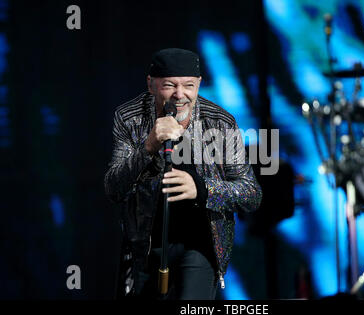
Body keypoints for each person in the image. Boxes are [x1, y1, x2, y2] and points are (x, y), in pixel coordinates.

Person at [104, 48, 262, 300]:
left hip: (200, 242)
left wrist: (200, 188)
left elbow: (251, 194)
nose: (180, 95)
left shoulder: (220, 122)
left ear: (199, 84)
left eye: (188, 85)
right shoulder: (129, 118)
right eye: (169, 85)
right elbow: (114, 188)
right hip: (144, 243)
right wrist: (149, 146)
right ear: (151, 85)